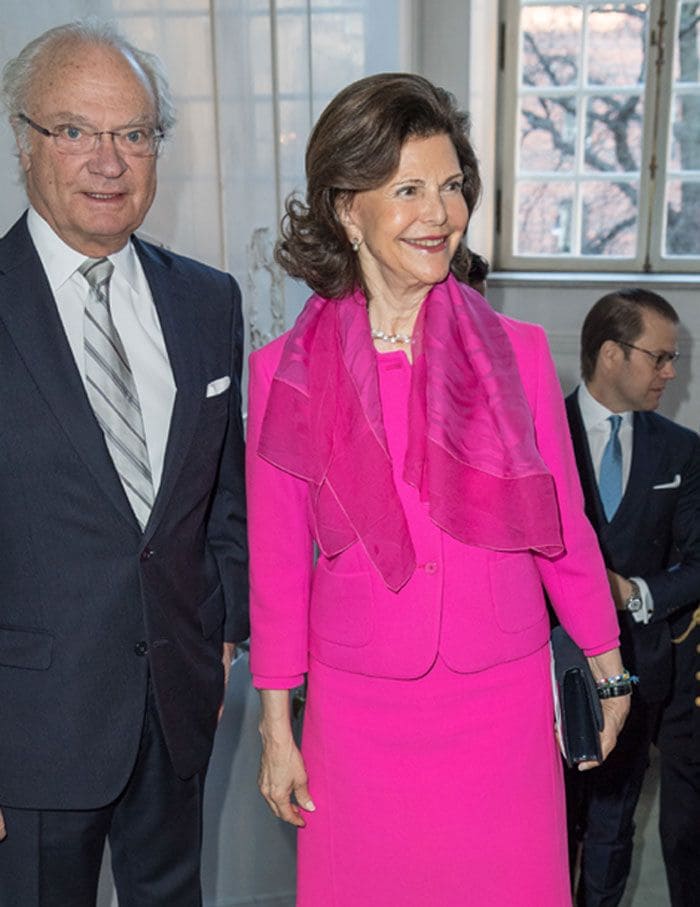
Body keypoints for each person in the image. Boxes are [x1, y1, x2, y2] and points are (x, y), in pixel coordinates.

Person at [246, 72, 629, 906]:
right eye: (408, 190)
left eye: (451, 187)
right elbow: (276, 567)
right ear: (348, 209)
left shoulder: (518, 353)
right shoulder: (284, 373)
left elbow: (560, 528)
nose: (440, 214)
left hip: (503, 703)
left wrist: (608, 663)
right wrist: (277, 726)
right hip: (359, 713)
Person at [0, 20, 248, 907]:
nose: (110, 160)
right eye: (76, 131)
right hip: (25, 737)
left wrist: (219, 632)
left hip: (175, 715)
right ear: (25, 142)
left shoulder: (208, 300)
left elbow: (223, 493)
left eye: (134, 133)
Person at [564, 288, 700, 907]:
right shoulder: (539, 434)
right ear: (613, 353)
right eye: (660, 358)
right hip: (550, 672)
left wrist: (637, 594)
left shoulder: (682, 449)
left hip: (641, 672)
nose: (671, 373)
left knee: (614, 835)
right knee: (547, 830)